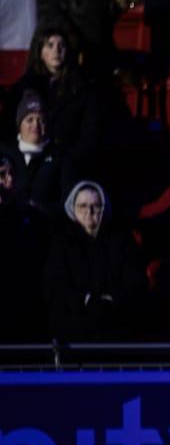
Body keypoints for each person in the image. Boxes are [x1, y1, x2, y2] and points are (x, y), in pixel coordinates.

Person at [44, 180, 146, 342]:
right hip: (74, 328)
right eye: (82, 206)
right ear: (73, 209)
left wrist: (111, 301)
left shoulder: (122, 241)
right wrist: (85, 300)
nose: (89, 211)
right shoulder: (62, 243)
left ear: (104, 208)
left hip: (116, 326)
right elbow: (56, 286)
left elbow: (134, 282)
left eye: (95, 206)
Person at [4, 28, 103, 177]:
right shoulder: (23, 88)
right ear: (40, 52)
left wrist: (66, 161)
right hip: (27, 162)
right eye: (50, 45)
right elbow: (8, 128)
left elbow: (90, 135)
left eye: (61, 46)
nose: (56, 50)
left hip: (68, 163)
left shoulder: (82, 88)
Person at [0, 155, 51, 344]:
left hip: (22, 301)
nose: (9, 180)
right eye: (2, 175)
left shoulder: (30, 215)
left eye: (12, 174)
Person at [0, 90, 73, 219]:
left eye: (41, 120)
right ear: (19, 124)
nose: (36, 125)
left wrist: (40, 209)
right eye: (29, 120)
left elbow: (68, 203)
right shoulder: (5, 151)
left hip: (47, 229)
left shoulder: (60, 156)